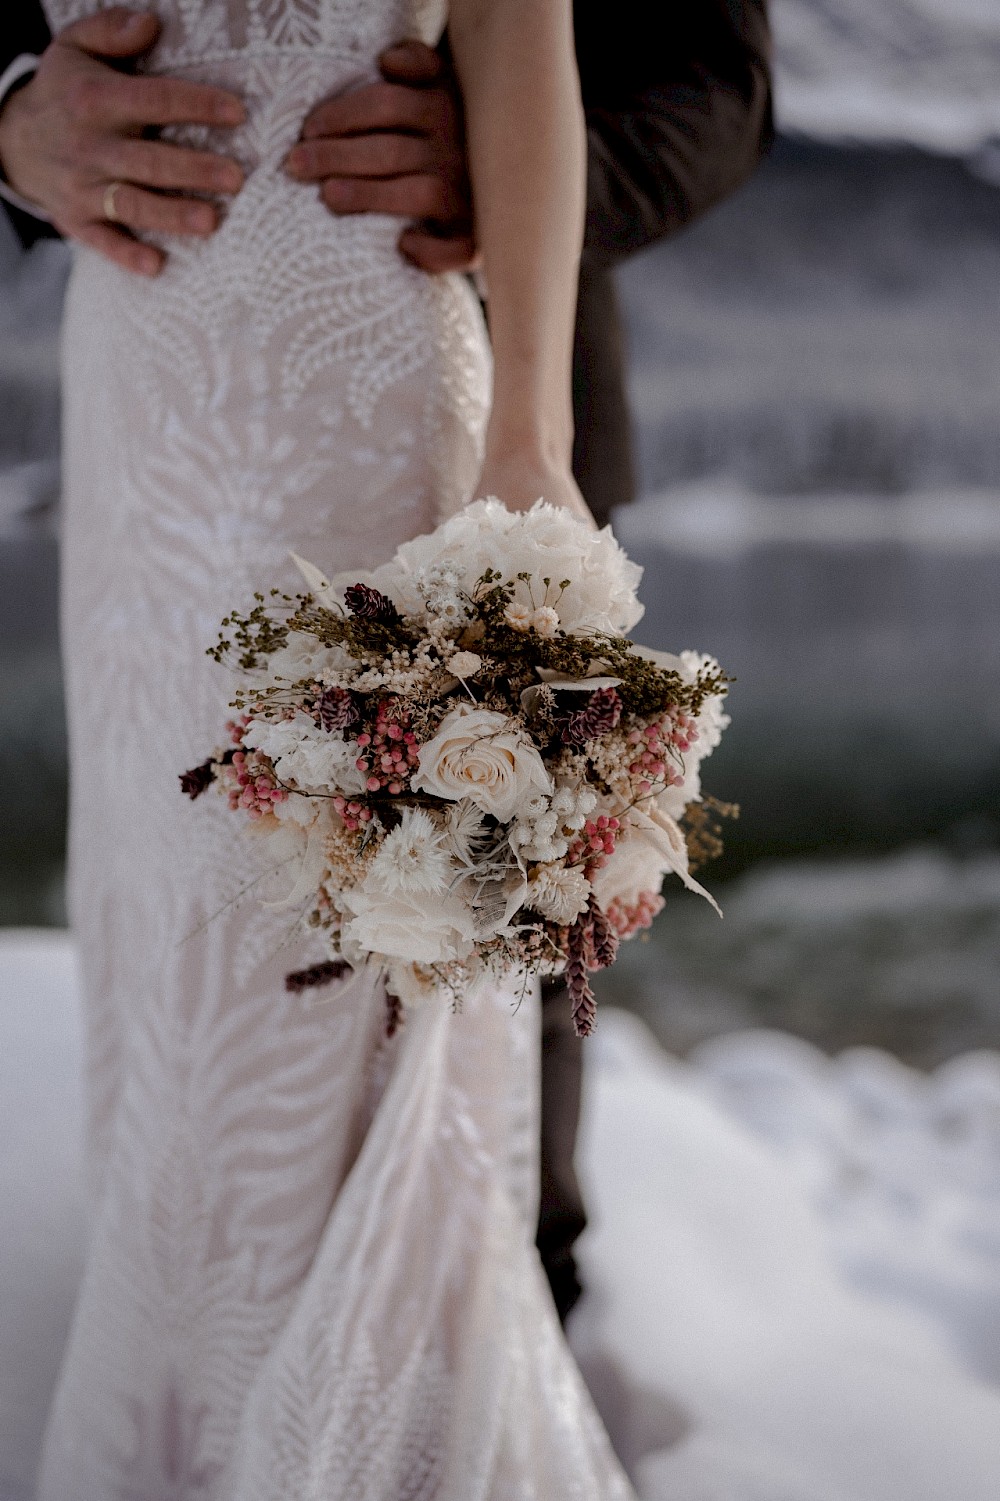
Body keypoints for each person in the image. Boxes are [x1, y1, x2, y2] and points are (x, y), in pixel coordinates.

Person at [1, 1, 772, 1334]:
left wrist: (518, 165)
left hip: (413, 372)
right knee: (170, 948)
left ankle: (472, 1361)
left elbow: (710, 70)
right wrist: (8, 122)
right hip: (143, 423)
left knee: (457, 973)